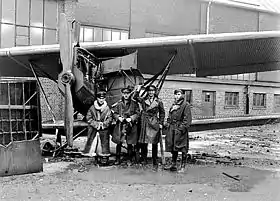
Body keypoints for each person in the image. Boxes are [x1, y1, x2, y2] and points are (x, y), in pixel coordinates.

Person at [133, 85, 165, 170]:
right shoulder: (143, 100)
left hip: (154, 122)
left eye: (152, 91)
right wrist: (138, 89)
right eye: (149, 91)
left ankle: (155, 160)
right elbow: (135, 97)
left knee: (154, 143)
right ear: (147, 92)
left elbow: (162, 113)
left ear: (155, 92)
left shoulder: (159, 101)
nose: (151, 92)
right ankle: (144, 159)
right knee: (144, 142)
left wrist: (161, 123)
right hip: (145, 121)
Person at [164, 89, 192, 173]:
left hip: (180, 129)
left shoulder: (185, 105)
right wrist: (167, 123)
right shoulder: (173, 105)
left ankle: (183, 166)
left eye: (179, 94)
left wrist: (181, 129)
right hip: (172, 128)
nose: (176, 96)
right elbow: (170, 116)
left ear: (183, 95)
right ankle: (173, 164)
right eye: (175, 94)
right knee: (173, 147)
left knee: (183, 147)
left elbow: (187, 120)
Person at [111, 86, 140, 166]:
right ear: (122, 94)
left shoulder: (134, 103)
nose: (126, 95)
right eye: (124, 93)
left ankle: (129, 159)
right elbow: (114, 113)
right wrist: (118, 117)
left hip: (130, 125)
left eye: (127, 93)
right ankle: (117, 159)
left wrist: (131, 118)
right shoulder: (119, 103)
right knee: (119, 142)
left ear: (130, 94)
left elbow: (138, 113)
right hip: (120, 125)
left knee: (130, 143)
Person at [83, 90, 112, 166]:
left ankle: (104, 157)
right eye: (100, 98)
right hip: (94, 129)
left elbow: (110, 119)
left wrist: (103, 125)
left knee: (103, 145)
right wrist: (96, 124)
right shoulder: (92, 108)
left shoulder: (107, 108)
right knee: (94, 144)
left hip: (103, 129)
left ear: (105, 99)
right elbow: (88, 118)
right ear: (97, 99)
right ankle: (96, 158)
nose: (101, 100)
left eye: (103, 98)